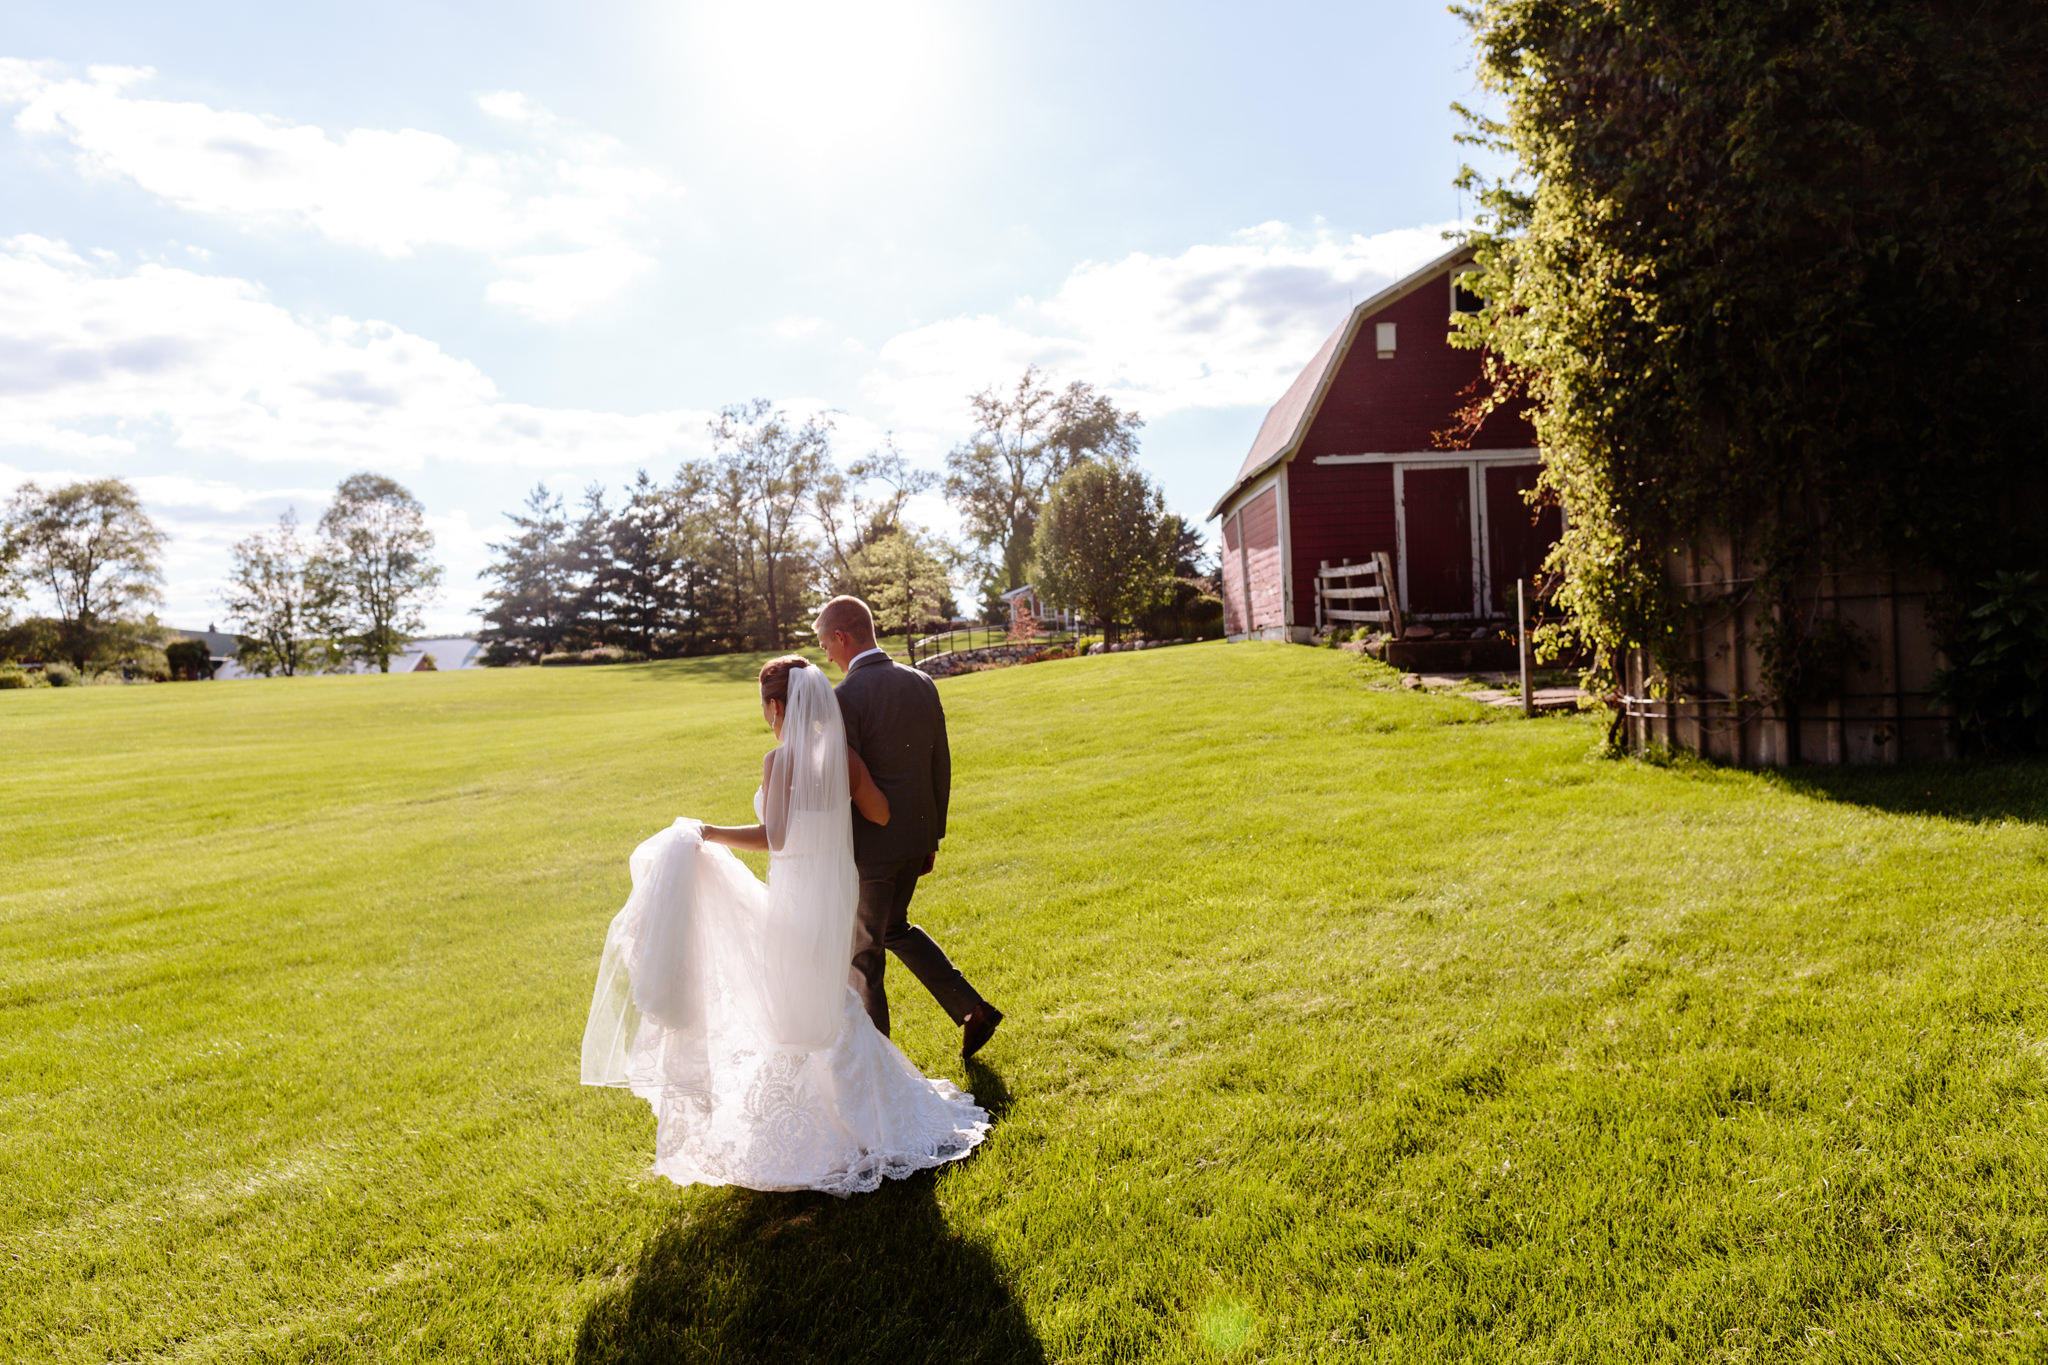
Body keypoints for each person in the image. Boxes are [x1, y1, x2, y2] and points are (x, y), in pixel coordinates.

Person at [580, 655, 988, 1194]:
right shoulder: (845, 759)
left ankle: (819, 1123)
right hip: (835, 892)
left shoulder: (780, 761)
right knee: (829, 994)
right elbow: (882, 814)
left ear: (776, 706)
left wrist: (707, 831)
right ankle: (863, 1105)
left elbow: (774, 837)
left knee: (798, 999)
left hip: (797, 894)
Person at [812, 595, 1004, 1058]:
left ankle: (878, 1069)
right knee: (892, 929)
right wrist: (931, 835)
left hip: (871, 849)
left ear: (842, 636)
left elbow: (845, 783)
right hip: (915, 838)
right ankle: (972, 1008)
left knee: (864, 954)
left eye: (824, 643)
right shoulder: (922, 682)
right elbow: (941, 764)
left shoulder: (845, 697)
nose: (826, 655)